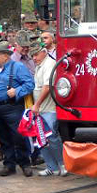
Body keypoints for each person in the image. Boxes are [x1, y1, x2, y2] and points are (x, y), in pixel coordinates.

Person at [0, 41, 34, 177]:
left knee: (18, 136)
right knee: (4, 138)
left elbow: (30, 83)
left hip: (12, 107)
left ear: (6, 56)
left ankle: (25, 163)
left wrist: (17, 91)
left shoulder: (18, 67)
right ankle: (9, 165)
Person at [29, 41, 66, 176]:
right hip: (40, 109)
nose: (34, 58)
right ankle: (52, 166)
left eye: (36, 54)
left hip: (48, 108)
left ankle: (62, 164)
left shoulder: (49, 64)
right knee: (41, 137)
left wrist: (37, 104)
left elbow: (47, 87)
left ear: (44, 52)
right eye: (32, 55)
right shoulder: (40, 65)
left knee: (52, 137)